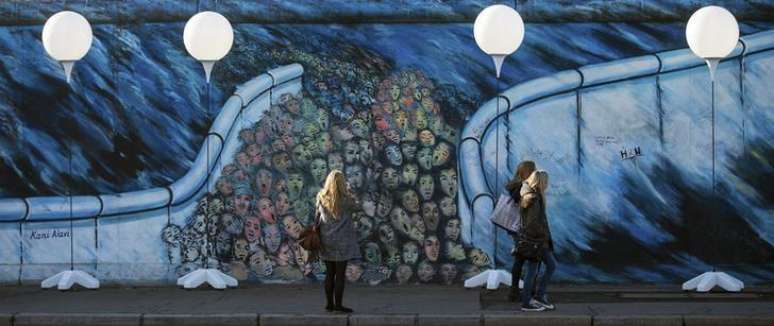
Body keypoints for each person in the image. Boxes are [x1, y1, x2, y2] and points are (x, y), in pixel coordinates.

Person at [316, 170, 361, 313]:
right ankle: (338, 305)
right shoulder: (347, 200)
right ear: (342, 183)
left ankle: (329, 304)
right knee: (340, 275)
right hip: (342, 243)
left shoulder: (321, 197)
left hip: (326, 241)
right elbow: (359, 207)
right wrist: (351, 192)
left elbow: (316, 218)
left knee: (330, 274)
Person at [518, 165, 556, 312]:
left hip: (536, 241)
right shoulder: (534, 198)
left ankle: (537, 297)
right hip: (537, 242)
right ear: (541, 182)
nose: (547, 185)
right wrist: (543, 236)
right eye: (546, 182)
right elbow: (533, 224)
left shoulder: (531, 196)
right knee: (536, 270)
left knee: (542, 268)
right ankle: (527, 302)